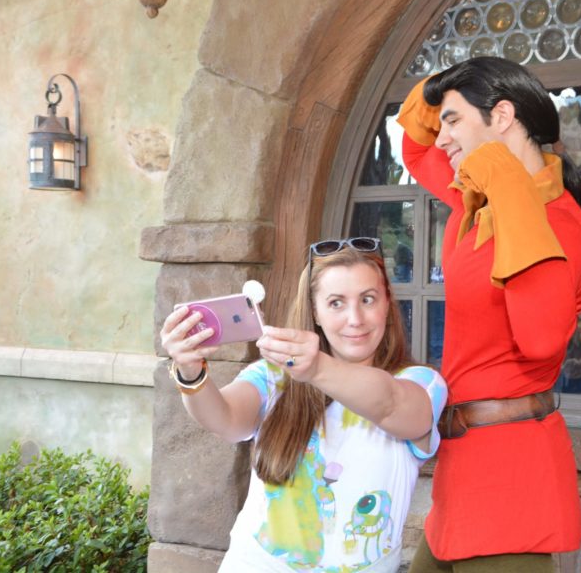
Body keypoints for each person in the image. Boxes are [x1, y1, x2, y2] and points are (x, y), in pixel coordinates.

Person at [396, 56, 581, 572]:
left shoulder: (563, 225)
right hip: (462, 467)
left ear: (503, 115)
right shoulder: (475, 205)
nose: (443, 138)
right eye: (443, 121)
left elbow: (540, 339)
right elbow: (414, 144)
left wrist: (506, 176)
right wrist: (444, 89)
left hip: (513, 473)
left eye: (454, 121)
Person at [161, 237, 447, 573]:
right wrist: (190, 372)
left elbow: (391, 406)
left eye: (368, 299)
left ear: (387, 303)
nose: (355, 318)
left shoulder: (421, 383)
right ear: (315, 311)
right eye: (336, 303)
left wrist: (316, 369)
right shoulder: (274, 377)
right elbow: (224, 419)